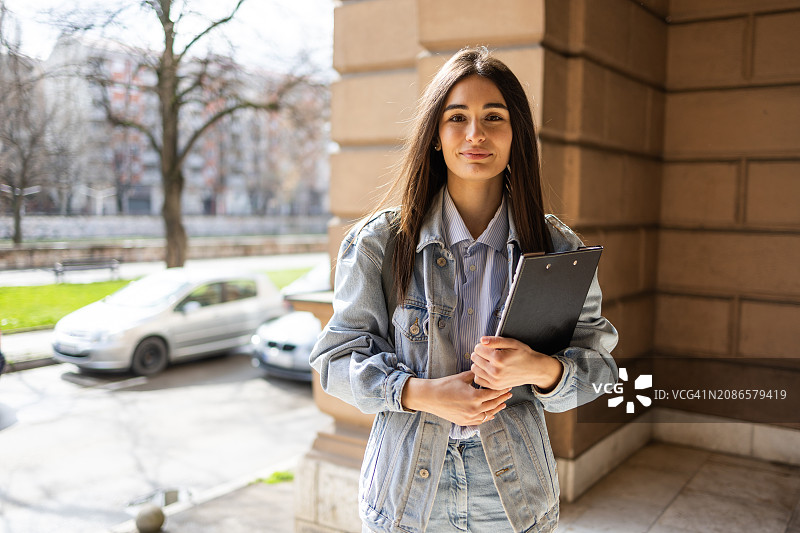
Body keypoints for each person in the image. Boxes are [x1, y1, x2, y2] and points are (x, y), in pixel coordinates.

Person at [310, 47, 618, 533]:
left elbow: (600, 370)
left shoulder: (558, 248)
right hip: (408, 491)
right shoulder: (379, 244)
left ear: (516, 133)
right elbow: (335, 361)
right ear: (435, 135)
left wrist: (540, 369)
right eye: (458, 117)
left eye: (493, 117)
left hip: (512, 494)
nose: (475, 134)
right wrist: (419, 392)